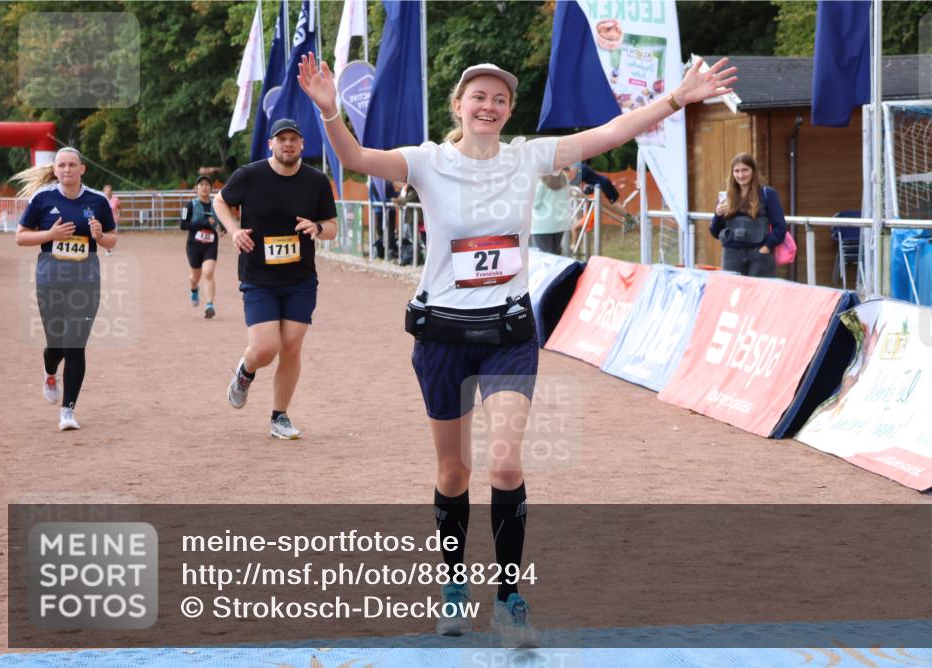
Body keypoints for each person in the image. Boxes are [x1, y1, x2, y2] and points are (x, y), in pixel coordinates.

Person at [298, 52, 735, 646]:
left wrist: (676, 98)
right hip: (443, 334)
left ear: (508, 111)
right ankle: (454, 586)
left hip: (508, 333)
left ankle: (509, 600)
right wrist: (328, 112)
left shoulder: (528, 156)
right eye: (478, 96)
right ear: (458, 105)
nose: (489, 106)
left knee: (505, 462)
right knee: (453, 471)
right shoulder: (427, 161)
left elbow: (608, 133)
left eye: (500, 99)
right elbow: (352, 159)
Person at [213, 118, 338, 440]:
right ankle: (246, 371)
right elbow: (220, 202)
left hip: (300, 279)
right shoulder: (249, 176)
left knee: (292, 347)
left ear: (302, 145)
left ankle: (279, 416)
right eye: (281, 139)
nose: (287, 144)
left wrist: (318, 228)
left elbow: (332, 226)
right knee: (267, 347)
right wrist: (235, 229)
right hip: (259, 277)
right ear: (271, 144)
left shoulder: (316, 181)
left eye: (293, 139)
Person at [13, 147, 117, 430]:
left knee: (75, 345)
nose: (67, 169)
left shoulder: (97, 201)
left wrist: (99, 236)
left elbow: (111, 241)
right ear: (55, 170)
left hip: (86, 283)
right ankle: (49, 371)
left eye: (72, 165)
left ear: (82, 168)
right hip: (50, 282)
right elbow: (20, 238)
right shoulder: (42, 198)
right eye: (62, 165)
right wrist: (51, 235)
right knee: (56, 345)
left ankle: (67, 411)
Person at [710, 152, 787, 277]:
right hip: (731, 256)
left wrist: (766, 248)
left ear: (753, 171)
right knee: (733, 294)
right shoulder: (725, 197)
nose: (741, 175)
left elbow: (780, 226)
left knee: (761, 295)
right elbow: (715, 232)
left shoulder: (768, 194)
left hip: (759, 255)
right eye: (737, 171)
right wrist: (718, 215)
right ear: (732, 173)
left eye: (745, 170)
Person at [181, 175, 224, 319]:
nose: (204, 187)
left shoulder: (216, 205)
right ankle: (194, 289)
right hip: (194, 245)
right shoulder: (190, 205)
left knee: (209, 272)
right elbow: (183, 225)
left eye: (207, 185)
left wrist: (221, 227)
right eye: (201, 184)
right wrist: (204, 224)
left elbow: (221, 224)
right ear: (196, 188)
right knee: (195, 276)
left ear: (211, 189)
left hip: (211, 244)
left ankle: (209, 305)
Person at [530, 168, 572, 254]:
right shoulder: (563, 176)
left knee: (543, 260)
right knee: (554, 257)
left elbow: (535, 204)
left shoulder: (540, 178)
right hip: (560, 223)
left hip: (542, 225)